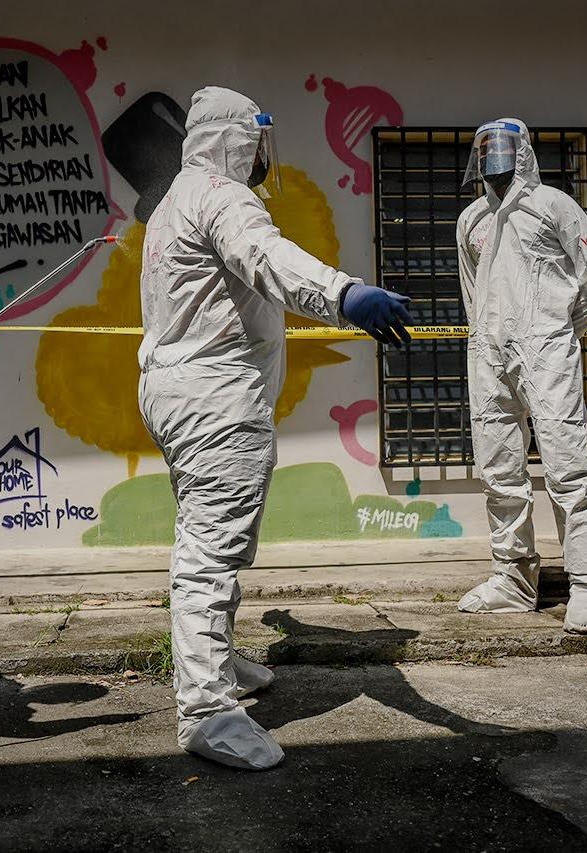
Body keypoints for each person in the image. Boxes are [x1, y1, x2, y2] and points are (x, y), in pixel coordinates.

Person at [138, 86, 413, 770]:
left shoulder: (174, 200)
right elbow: (269, 257)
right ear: (237, 139)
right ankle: (206, 710)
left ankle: (217, 657)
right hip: (217, 401)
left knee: (206, 533)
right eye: (259, 141)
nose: (265, 156)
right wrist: (346, 294)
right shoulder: (224, 199)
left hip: (178, 395)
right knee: (210, 552)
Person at [454, 119, 587, 634]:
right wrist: (486, 336)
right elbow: (472, 292)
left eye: (502, 146)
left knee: (567, 466)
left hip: (546, 350)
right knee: (499, 467)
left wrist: (557, 327)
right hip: (487, 351)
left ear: (523, 150)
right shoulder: (471, 220)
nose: (493, 157)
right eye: (484, 148)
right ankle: (512, 578)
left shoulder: (553, 205)